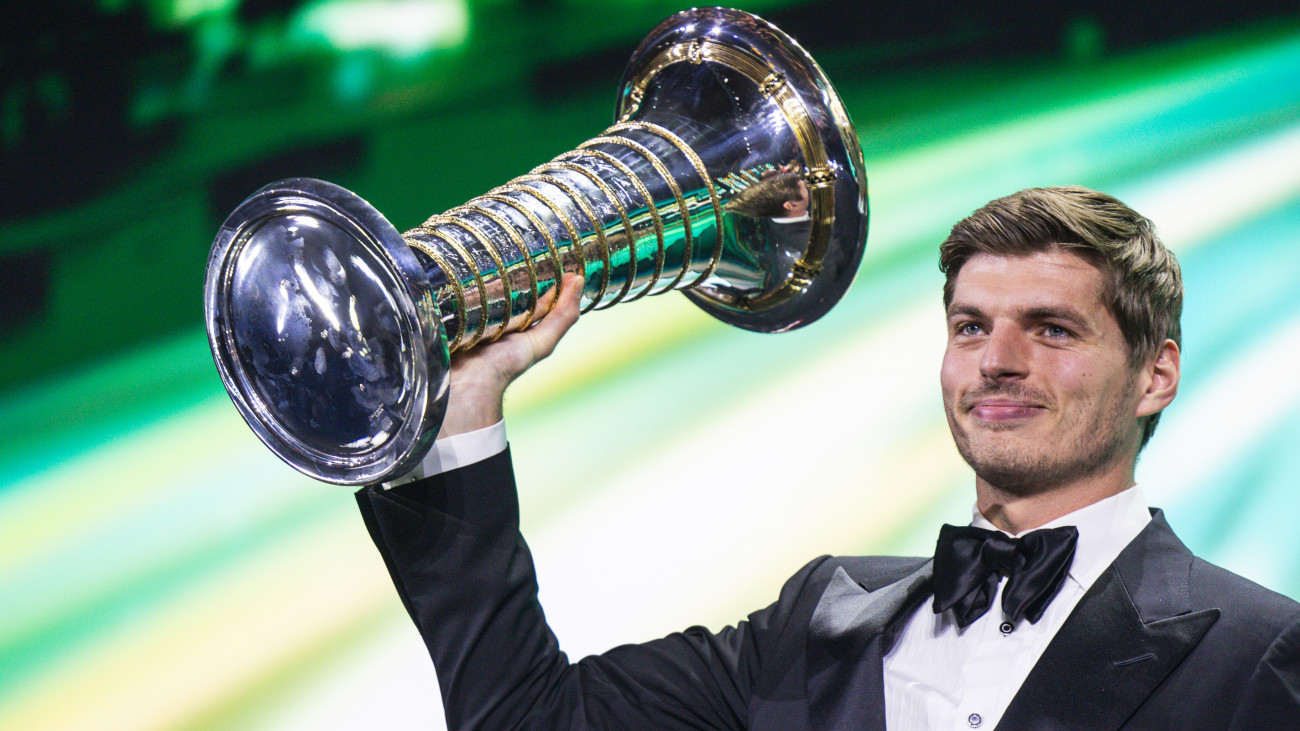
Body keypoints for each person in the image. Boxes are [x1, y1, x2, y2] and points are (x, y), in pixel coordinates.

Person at [356, 186, 1300, 730]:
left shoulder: (1261, 650)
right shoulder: (822, 611)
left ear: (1155, 375)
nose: (997, 359)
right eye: (971, 326)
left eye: (1052, 329)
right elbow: (530, 720)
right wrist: (463, 411)